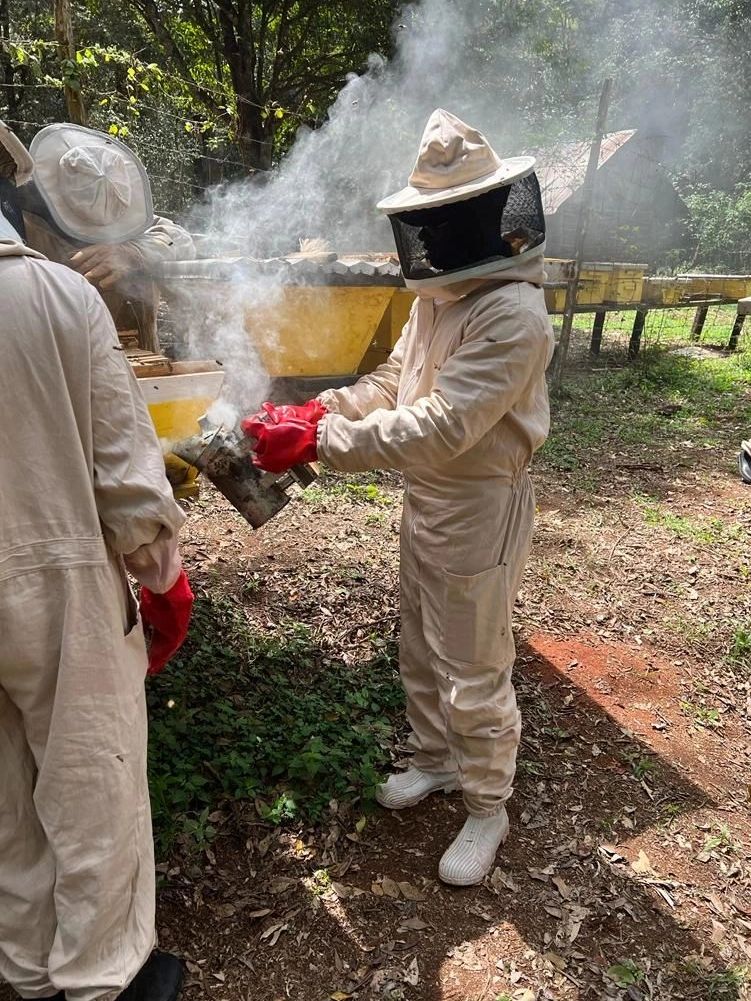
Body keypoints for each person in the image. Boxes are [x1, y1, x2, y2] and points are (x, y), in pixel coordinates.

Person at [243, 109, 555, 886]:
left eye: (448, 221)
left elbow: (443, 425)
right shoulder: (436, 300)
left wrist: (319, 444)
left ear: (484, 218)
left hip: (482, 498)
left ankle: (488, 805)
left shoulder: (513, 314)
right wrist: (324, 409)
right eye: (430, 223)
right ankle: (434, 760)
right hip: (428, 496)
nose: (436, 239)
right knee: (419, 637)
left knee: (473, 660)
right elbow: (395, 384)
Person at [0, 134, 193, 1001]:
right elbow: (129, 483)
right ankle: (100, 978)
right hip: (61, 581)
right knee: (92, 785)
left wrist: (148, 270)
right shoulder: (54, 294)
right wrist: (159, 573)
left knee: (5, 800)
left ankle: (24, 972)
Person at [0, 119, 194, 351]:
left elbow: (179, 238)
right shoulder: (17, 227)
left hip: (143, 369)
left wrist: (133, 252)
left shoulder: (125, 216)